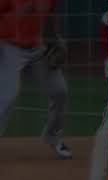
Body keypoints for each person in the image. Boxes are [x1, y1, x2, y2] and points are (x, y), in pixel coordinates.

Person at [0, 0, 72, 159]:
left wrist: (55, 39)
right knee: (7, 96)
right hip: (9, 48)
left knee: (59, 91)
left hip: (37, 49)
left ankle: (53, 137)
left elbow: (49, 16)